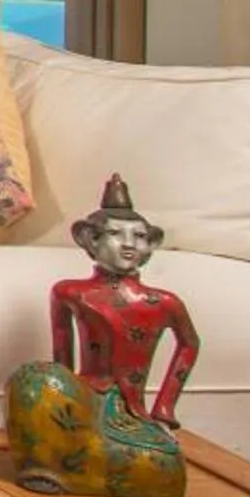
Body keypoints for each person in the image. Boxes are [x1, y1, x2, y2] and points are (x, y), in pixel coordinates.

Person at [50, 173, 201, 425]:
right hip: (85, 402)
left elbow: (190, 344)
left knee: (158, 460)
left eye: (140, 236)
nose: (129, 244)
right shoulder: (70, 293)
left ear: (152, 244)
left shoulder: (164, 302)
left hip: (135, 412)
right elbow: (61, 355)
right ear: (90, 239)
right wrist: (63, 398)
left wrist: (165, 405)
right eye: (115, 234)